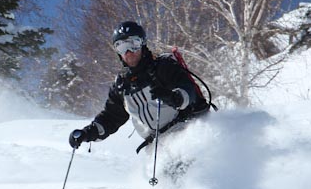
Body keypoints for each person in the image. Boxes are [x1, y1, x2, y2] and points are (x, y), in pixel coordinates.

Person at [69, 21, 210, 153]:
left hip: (184, 131)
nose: (128, 52)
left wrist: (175, 98)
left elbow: (187, 89)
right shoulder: (122, 86)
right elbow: (111, 117)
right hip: (156, 146)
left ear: (142, 43)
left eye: (133, 44)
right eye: (121, 47)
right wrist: (87, 133)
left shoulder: (162, 67)